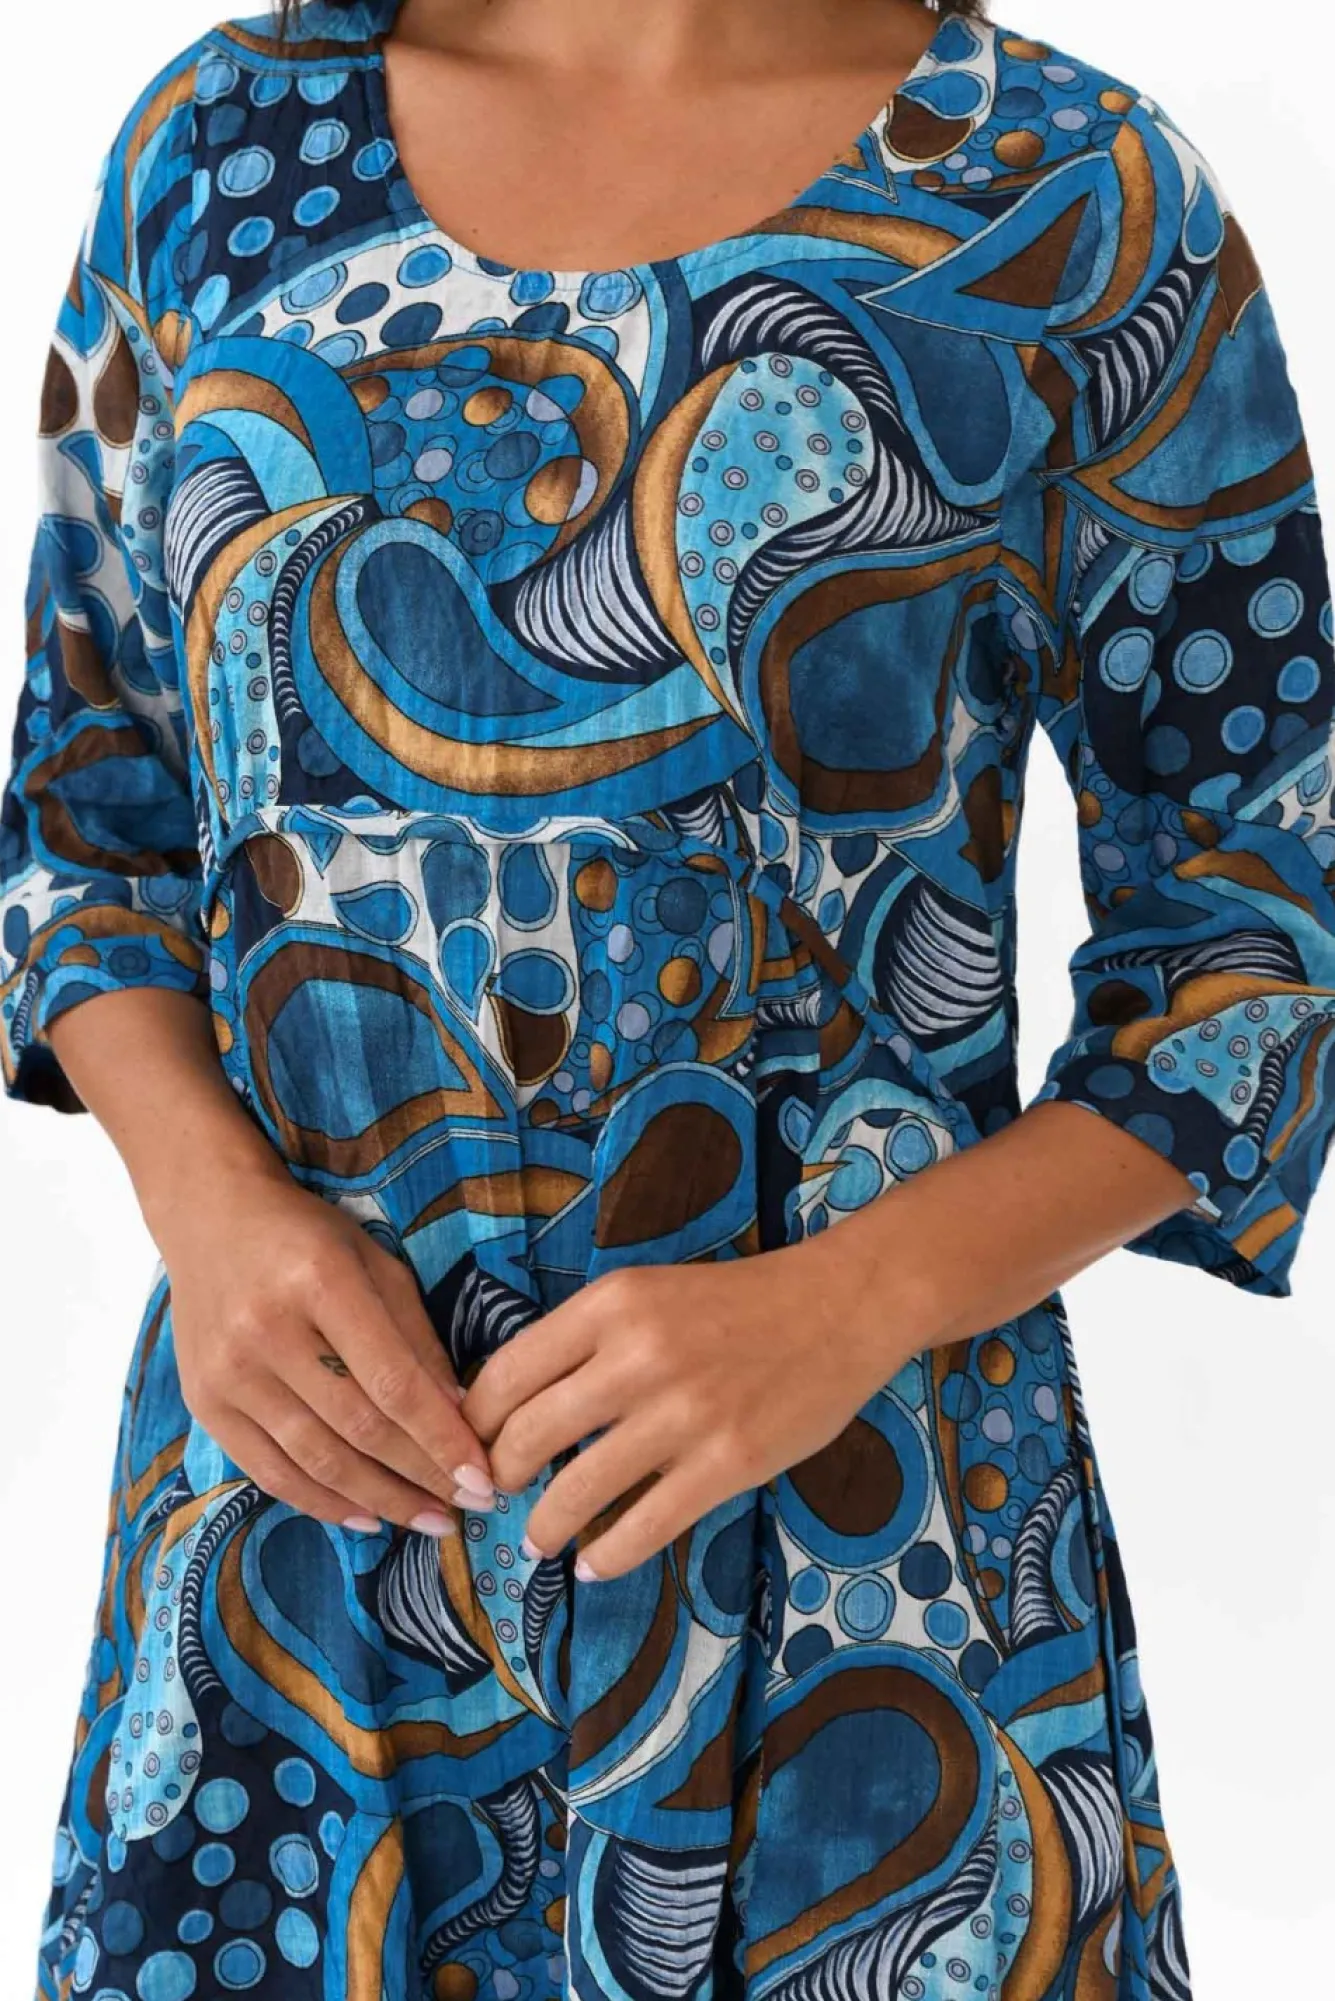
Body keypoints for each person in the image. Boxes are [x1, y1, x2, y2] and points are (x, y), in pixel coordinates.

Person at [5, 0, 1333, 1992]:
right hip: (298, 1554)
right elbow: (87, 814)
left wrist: (849, 1305)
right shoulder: (214, 148)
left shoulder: (1069, 191)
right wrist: (209, 1210)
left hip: (865, 1568)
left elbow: (1258, 924)